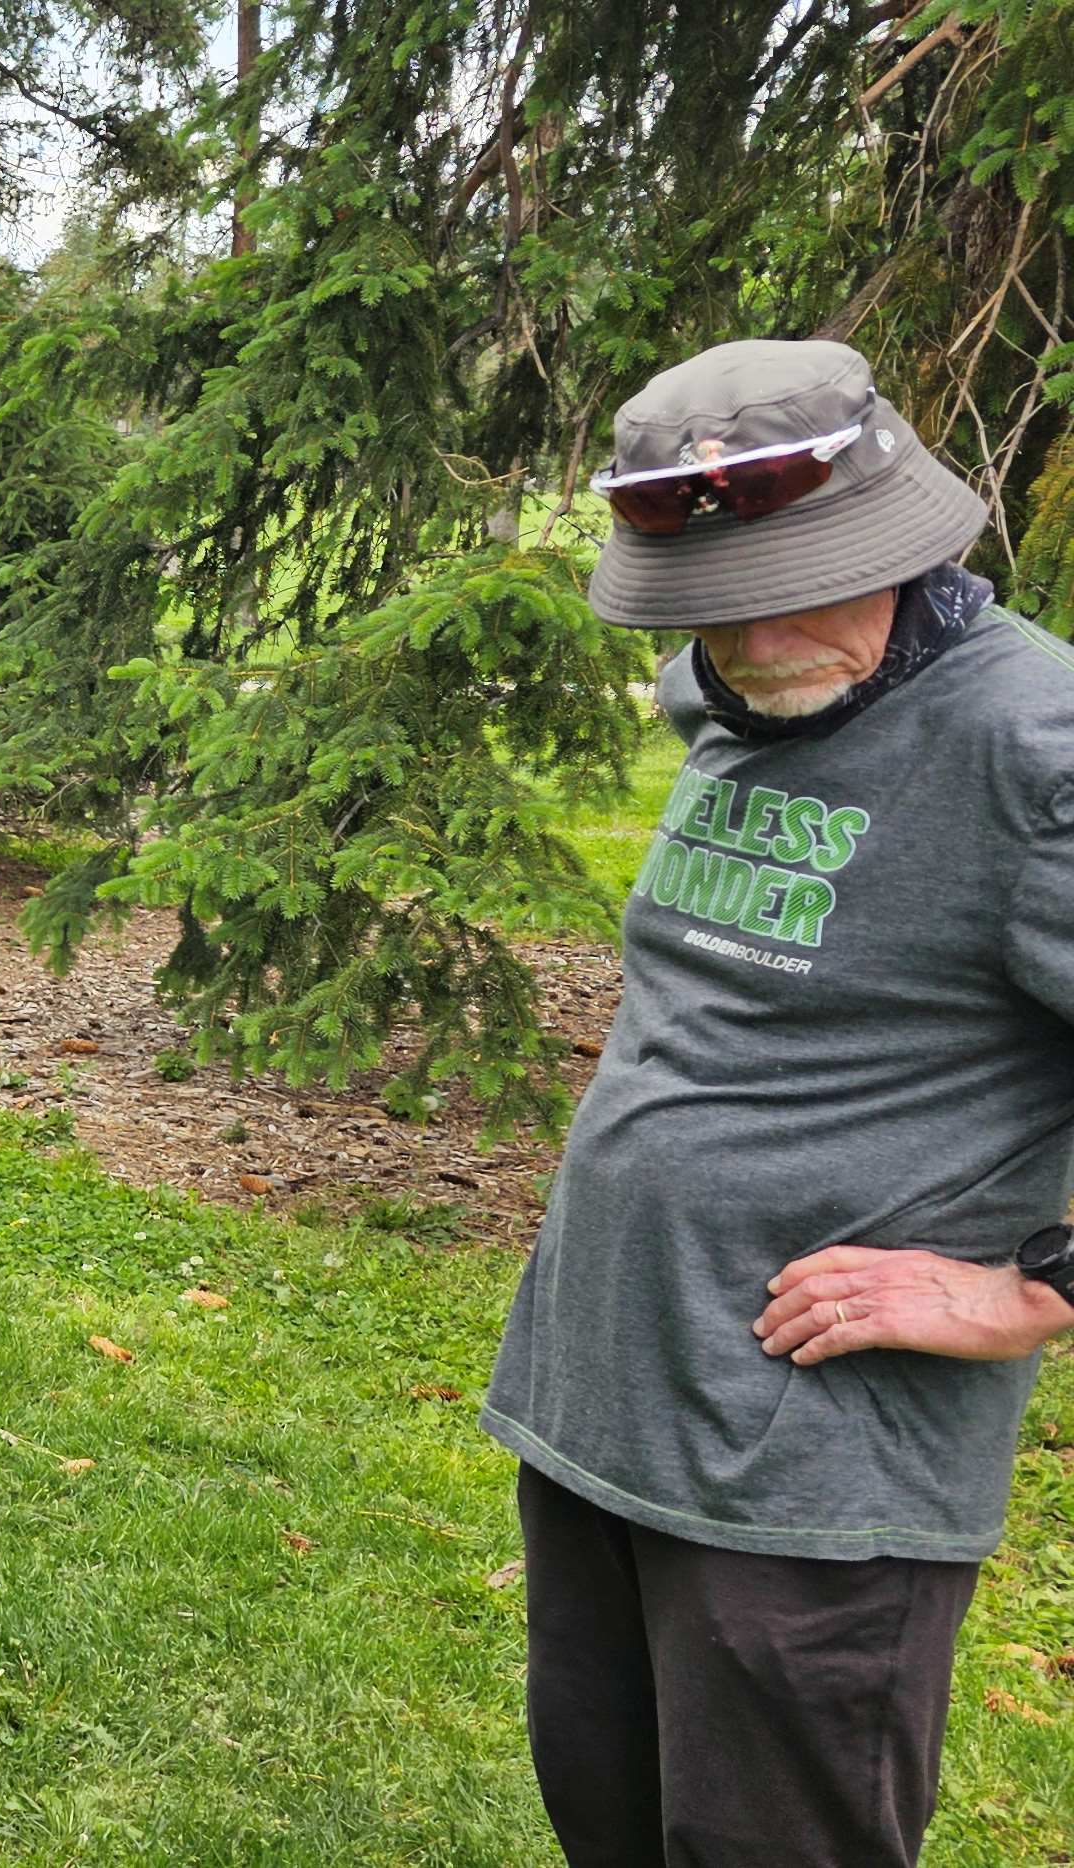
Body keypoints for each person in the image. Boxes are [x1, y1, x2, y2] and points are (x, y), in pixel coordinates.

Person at [484, 337, 1074, 1868]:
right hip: (605, 1405)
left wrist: (1032, 1290)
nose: (743, 646)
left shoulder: (1040, 746)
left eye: (789, 586)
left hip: (812, 1479)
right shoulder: (731, 690)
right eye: (708, 610)